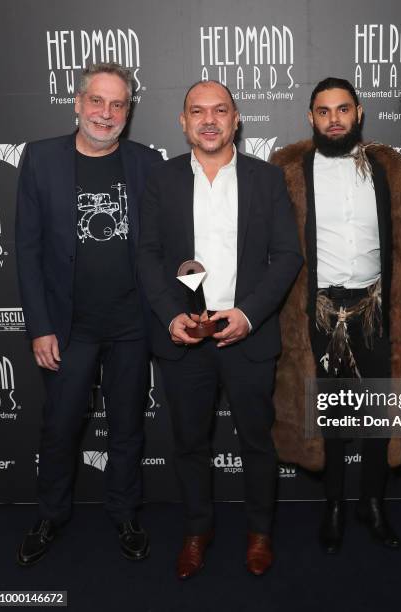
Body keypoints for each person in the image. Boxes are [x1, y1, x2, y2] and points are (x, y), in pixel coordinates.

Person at [137, 80, 302, 578]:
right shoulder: (159, 179)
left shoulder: (266, 180)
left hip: (247, 335)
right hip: (184, 338)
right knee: (189, 443)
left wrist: (249, 315)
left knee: (257, 441)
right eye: (197, 111)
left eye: (220, 110)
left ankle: (259, 532)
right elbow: (145, 255)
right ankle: (196, 530)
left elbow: (288, 255)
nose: (209, 120)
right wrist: (171, 315)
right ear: (182, 122)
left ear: (236, 120)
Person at [15, 62, 161, 566]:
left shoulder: (147, 162)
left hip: (131, 325)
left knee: (127, 426)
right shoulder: (39, 159)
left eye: (117, 104)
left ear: (129, 110)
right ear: (77, 103)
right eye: (96, 101)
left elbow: (164, 246)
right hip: (68, 326)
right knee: (59, 427)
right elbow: (27, 250)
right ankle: (50, 515)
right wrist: (39, 327)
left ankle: (124, 513)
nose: (106, 113)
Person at [271, 77, 401, 554]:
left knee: (377, 413)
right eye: (324, 111)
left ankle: (372, 503)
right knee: (328, 415)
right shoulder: (288, 170)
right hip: (318, 313)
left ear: (359, 113)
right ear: (310, 117)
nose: (335, 119)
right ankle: (333, 504)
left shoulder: (388, 168)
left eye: (343, 109)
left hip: (374, 310)